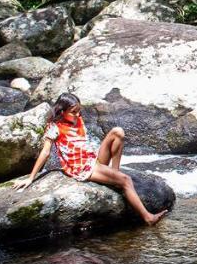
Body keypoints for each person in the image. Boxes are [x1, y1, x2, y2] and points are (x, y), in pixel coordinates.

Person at [16, 92, 168, 225]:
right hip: (81, 168)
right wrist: (30, 178)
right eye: (73, 112)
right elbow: (45, 153)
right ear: (62, 112)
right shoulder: (55, 127)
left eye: (78, 111)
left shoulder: (78, 119)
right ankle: (148, 218)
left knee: (118, 132)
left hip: (92, 159)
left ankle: (113, 173)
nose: (77, 115)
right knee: (126, 180)